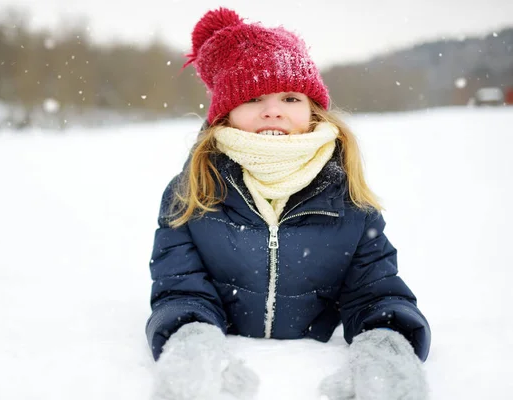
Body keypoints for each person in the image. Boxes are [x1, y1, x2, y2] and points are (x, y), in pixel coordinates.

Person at [146, 7, 431, 400]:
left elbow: (376, 292)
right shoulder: (192, 192)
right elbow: (180, 288)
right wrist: (192, 342)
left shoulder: (349, 198)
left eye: (290, 97)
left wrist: (386, 349)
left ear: (312, 111)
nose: (273, 109)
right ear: (224, 115)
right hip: (241, 356)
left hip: (310, 366)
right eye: (253, 97)